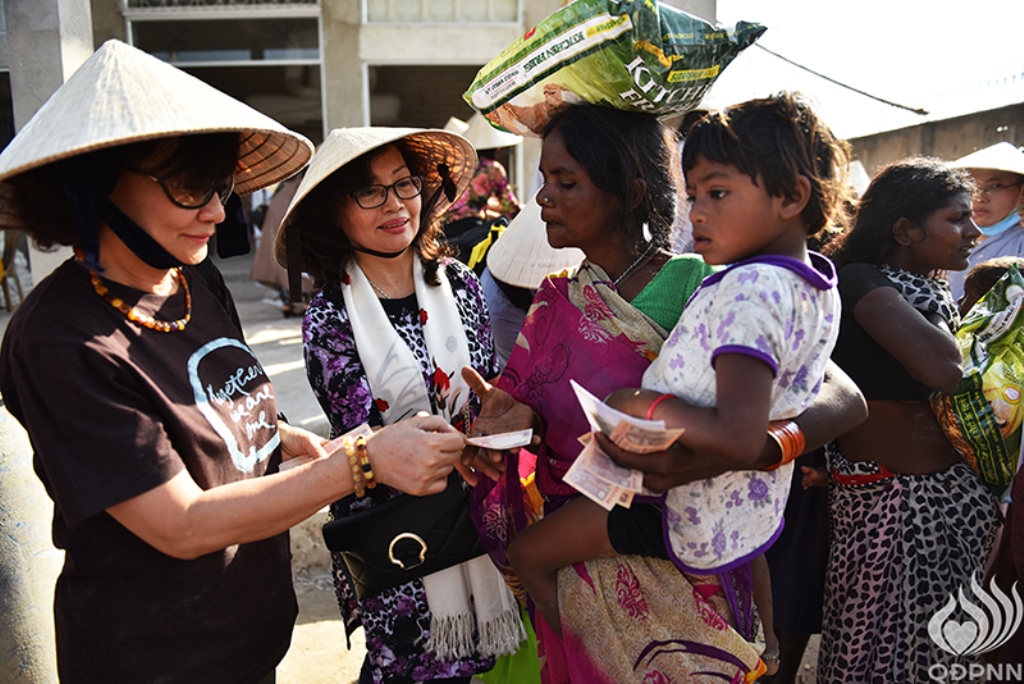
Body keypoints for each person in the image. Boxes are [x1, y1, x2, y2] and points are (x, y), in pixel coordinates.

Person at [0, 40, 470, 684]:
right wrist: (361, 462)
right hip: (155, 657)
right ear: (94, 184)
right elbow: (182, 524)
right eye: (191, 188)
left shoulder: (190, 278)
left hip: (245, 637)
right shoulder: (61, 341)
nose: (218, 213)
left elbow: (200, 410)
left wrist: (281, 438)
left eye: (219, 188)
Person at [463, 101, 867, 683]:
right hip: (586, 541)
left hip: (685, 545)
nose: (542, 198)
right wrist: (504, 422)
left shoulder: (705, 282)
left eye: (566, 181)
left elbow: (844, 397)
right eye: (544, 181)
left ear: (627, 191)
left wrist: (747, 450)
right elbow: (535, 412)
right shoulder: (555, 302)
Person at [274, 126, 524, 684]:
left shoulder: (459, 283)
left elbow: (483, 387)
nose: (394, 205)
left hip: (479, 520)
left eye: (404, 184)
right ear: (333, 212)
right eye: (369, 192)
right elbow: (364, 434)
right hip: (401, 544)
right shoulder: (330, 315)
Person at [819, 158, 1000, 682]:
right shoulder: (860, 283)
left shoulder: (932, 289)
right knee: (876, 650)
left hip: (947, 504)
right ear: (904, 229)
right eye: (956, 219)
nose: (974, 232)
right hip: (889, 508)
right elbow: (943, 368)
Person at [945, 142, 1024, 301]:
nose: (980, 197)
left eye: (995, 186)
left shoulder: (1020, 241)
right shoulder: (945, 238)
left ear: (1021, 191)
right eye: (972, 187)